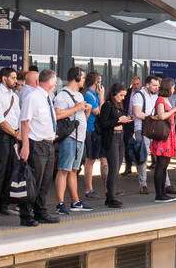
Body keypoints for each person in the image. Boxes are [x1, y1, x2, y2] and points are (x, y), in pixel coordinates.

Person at [0, 66, 28, 224]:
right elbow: (0, 120)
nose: (16, 81)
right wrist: (15, 133)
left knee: (12, 170)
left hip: (14, 134)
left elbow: (18, 115)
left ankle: (5, 203)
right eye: (13, 78)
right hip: (3, 135)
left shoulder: (14, 96)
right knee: (1, 170)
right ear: (4, 79)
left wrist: (19, 133)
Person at [19, 68, 60, 224]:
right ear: (49, 81)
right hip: (36, 144)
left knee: (45, 181)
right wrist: (25, 146)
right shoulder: (33, 97)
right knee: (33, 180)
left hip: (49, 143)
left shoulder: (47, 97)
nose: (56, 83)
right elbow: (25, 121)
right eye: (55, 80)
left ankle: (40, 211)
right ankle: (26, 215)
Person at [53, 67, 93, 215]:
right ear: (76, 78)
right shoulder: (62, 95)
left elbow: (82, 118)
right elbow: (57, 114)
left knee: (73, 171)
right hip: (69, 137)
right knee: (64, 169)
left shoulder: (79, 95)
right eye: (82, 78)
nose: (84, 81)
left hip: (79, 137)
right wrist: (76, 108)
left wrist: (86, 110)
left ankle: (75, 201)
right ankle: (60, 203)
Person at [96, 83, 130, 208]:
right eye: (121, 95)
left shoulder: (119, 105)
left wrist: (125, 120)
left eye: (124, 95)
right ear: (114, 94)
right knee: (113, 168)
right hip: (112, 138)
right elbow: (103, 123)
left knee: (118, 166)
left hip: (120, 137)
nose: (123, 98)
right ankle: (110, 197)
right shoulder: (107, 105)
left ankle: (111, 194)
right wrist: (119, 120)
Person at [128, 73, 160, 194]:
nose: (156, 88)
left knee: (160, 156)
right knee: (143, 156)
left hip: (153, 129)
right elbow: (137, 113)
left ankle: (166, 183)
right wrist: (154, 118)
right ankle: (143, 184)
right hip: (141, 129)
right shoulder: (138, 96)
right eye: (154, 85)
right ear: (147, 85)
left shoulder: (156, 96)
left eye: (157, 85)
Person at [149, 79, 176, 202]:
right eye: (172, 88)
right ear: (168, 88)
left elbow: (167, 115)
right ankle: (159, 194)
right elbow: (161, 115)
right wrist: (173, 110)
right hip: (163, 136)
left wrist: (174, 112)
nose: (173, 90)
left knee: (164, 165)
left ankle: (162, 193)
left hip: (169, 134)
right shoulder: (160, 100)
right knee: (161, 165)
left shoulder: (166, 100)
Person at [80, 70, 102, 199]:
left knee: (93, 159)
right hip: (90, 129)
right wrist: (103, 95)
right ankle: (89, 189)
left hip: (94, 129)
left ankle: (90, 188)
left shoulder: (94, 94)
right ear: (96, 82)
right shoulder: (89, 95)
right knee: (90, 160)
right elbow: (98, 111)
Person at [122, 75, 142, 174]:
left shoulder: (144, 94)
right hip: (129, 121)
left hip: (140, 121)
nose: (136, 86)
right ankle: (128, 167)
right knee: (127, 143)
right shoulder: (128, 93)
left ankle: (140, 167)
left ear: (141, 83)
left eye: (137, 84)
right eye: (134, 84)